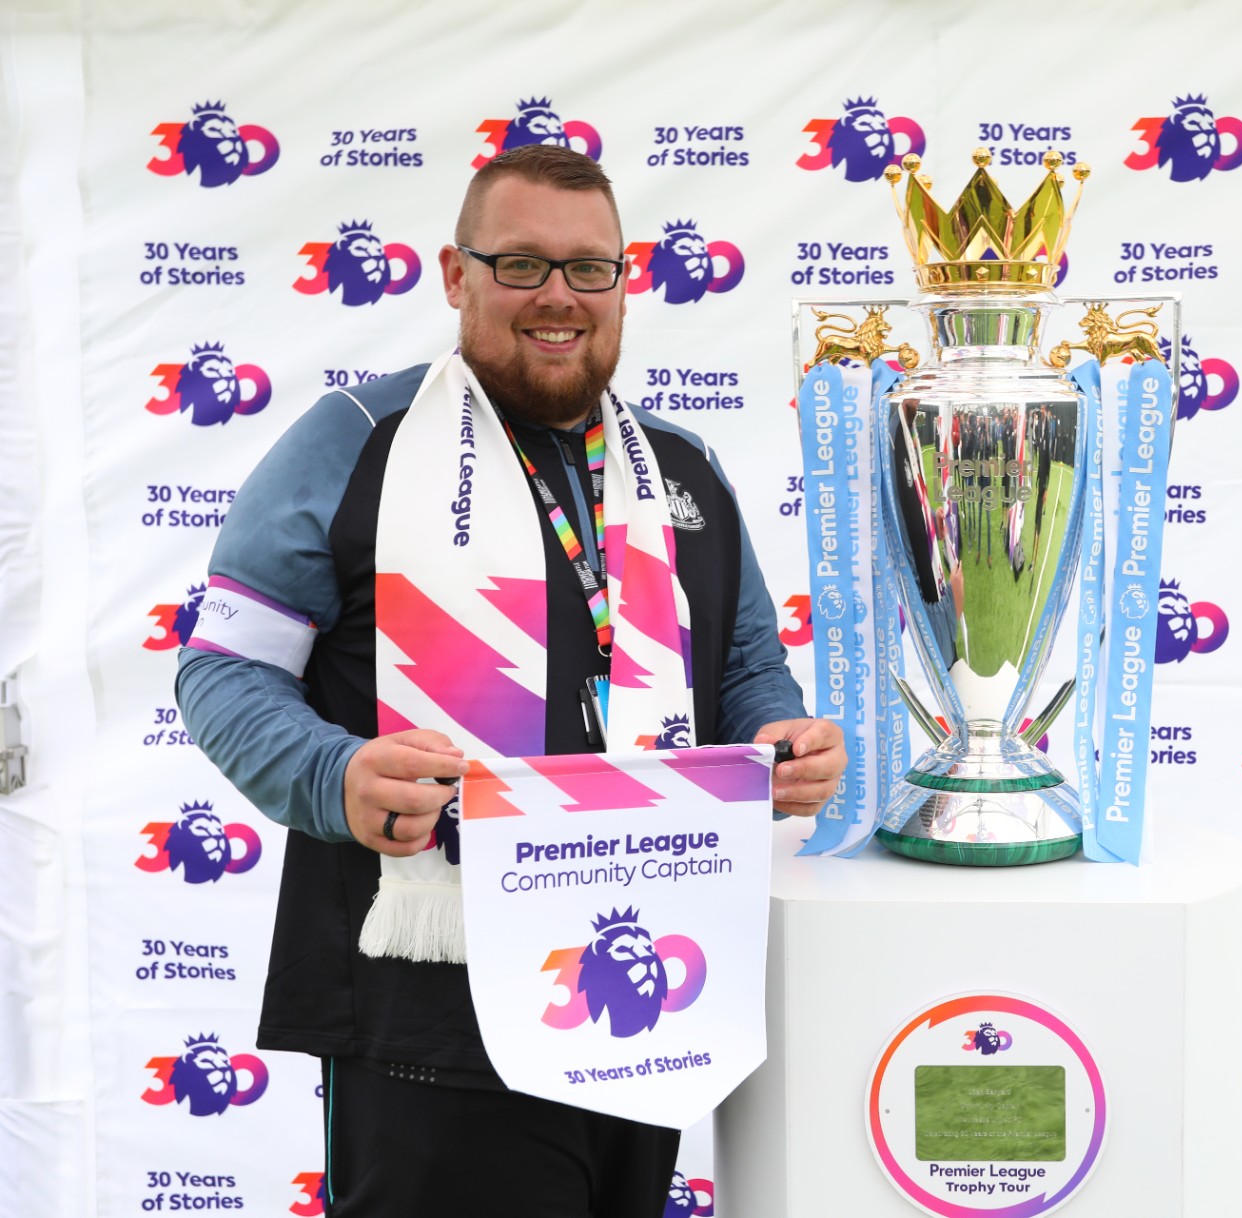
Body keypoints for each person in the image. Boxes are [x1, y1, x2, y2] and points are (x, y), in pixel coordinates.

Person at [175, 144, 844, 1217]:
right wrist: (335, 774)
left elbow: (746, 666)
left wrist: (781, 737)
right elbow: (223, 671)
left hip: (643, 1000)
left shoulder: (682, 466)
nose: (558, 297)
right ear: (456, 274)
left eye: (589, 269)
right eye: (522, 265)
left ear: (623, 280)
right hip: (429, 1018)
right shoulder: (354, 443)